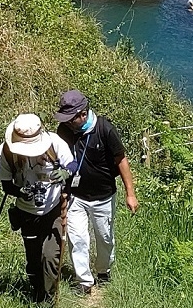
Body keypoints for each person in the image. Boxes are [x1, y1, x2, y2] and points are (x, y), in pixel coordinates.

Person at [54, 89, 138, 295]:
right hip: (76, 196)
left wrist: (130, 193)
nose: (66, 122)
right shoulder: (63, 130)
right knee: (78, 239)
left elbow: (121, 160)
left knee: (105, 238)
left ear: (82, 114)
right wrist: (62, 189)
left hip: (103, 196)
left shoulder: (105, 129)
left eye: (70, 118)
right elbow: (60, 160)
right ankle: (84, 281)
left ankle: (103, 272)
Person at [0, 112, 75, 304]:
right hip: (26, 213)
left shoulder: (54, 143)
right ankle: (36, 291)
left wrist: (65, 172)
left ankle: (47, 302)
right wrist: (21, 191)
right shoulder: (5, 152)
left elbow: (73, 163)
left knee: (50, 256)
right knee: (33, 259)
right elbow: (6, 185)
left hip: (54, 209)